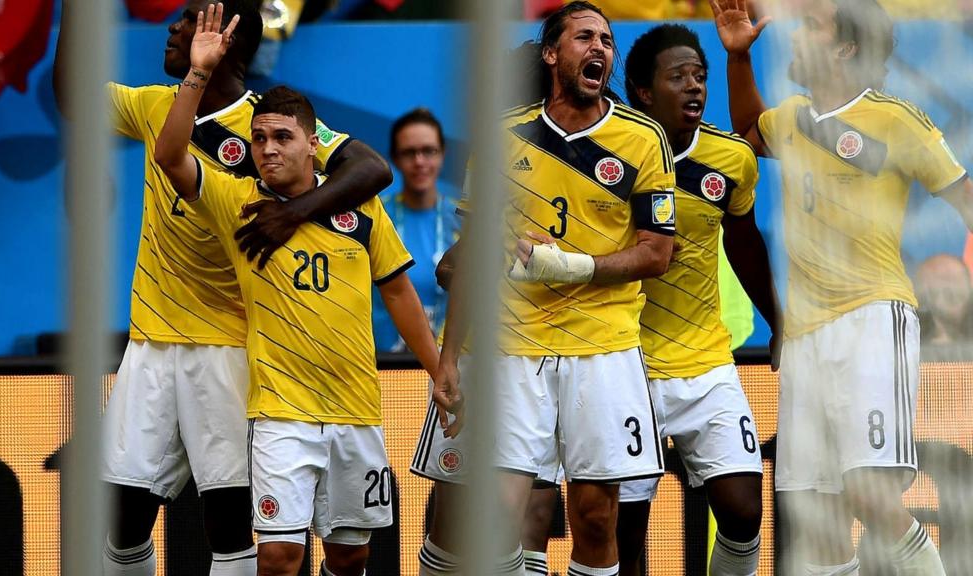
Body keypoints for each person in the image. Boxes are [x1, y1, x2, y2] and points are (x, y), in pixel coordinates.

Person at [52, 1, 392, 574]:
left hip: (233, 346)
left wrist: (291, 214)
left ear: (224, 38)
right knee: (121, 517)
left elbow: (370, 168)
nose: (172, 27)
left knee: (230, 523)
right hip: (152, 342)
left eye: (187, 19)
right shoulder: (158, 106)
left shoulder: (267, 125)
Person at [151, 7, 439, 575]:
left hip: (357, 411)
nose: (267, 149)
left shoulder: (359, 209)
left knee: (351, 556)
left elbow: (400, 292)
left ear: (314, 145)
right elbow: (168, 156)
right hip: (281, 414)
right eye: (258, 139)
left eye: (283, 137)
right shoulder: (237, 204)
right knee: (280, 557)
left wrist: (439, 372)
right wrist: (199, 73)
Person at [412, 4, 678, 575]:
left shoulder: (642, 138)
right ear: (552, 54)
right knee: (496, 514)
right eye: (584, 37)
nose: (600, 48)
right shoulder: (504, 136)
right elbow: (471, 262)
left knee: (596, 517)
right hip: (512, 348)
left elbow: (657, 253)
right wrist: (450, 359)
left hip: (603, 350)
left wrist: (569, 267)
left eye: (607, 39)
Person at [711, 0, 973, 573]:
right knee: (816, 514)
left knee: (871, 496)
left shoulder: (897, 119)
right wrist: (738, 59)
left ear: (845, 49)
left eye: (812, 27)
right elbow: (750, 132)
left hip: (872, 319)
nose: (796, 37)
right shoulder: (796, 115)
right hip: (805, 337)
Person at [519, 24, 781, 576]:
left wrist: (779, 321)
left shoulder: (730, 159)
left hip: (705, 358)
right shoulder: (606, 152)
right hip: (624, 362)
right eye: (678, 76)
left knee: (744, 510)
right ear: (641, 90)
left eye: (700, 76)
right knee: (620, 530)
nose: (694, 88)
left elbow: (744, 240)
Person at [372, 108, 459, 352]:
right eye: (409, 153)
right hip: (388, 366)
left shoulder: (463, 221)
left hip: (449, 364)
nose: (419, 161)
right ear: (395, 158)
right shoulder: (375, 217)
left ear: (443, 154)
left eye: (429, 151)